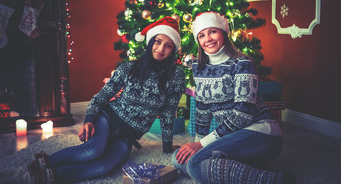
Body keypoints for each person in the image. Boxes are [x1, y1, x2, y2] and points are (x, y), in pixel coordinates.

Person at [25, 16, 185, 184]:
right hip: (108, 119)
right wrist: (89, 120)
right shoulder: (129, 68)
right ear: (150, 41)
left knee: (103, 167)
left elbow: (168, 112)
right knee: (93, 150)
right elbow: (101, 97)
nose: (161, 48)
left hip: (126, 138)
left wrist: (167, 147)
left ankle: (49, 176)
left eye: (168, 45)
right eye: (158, 41)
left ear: (173, 50)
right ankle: (43, 163)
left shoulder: (176, 75)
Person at [172, 12, 295, 184]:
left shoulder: (242, 63)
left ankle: (274, 180)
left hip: (262, 134)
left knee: (194, 166)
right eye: (201, 35)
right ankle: (237, 171)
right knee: (178, 158)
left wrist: (202, 145)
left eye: (212, 31)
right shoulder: (199, 67)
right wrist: (197, 143)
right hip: (234, 136)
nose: (207, 38)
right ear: (198, 41)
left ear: (223, 32)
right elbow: (202, 109)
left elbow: (243, 114)